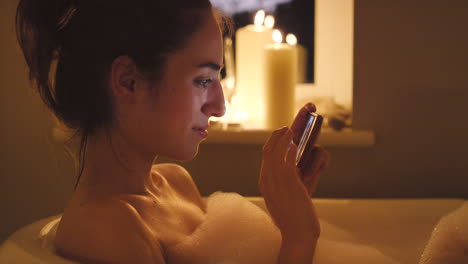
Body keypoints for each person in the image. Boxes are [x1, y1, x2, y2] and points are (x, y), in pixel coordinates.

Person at [15, 0, 330, 263]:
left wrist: (285, 211)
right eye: (203, 80)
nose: (219, 107)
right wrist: (299, 239)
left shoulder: (175, 183)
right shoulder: (106, 230)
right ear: (128, 81)